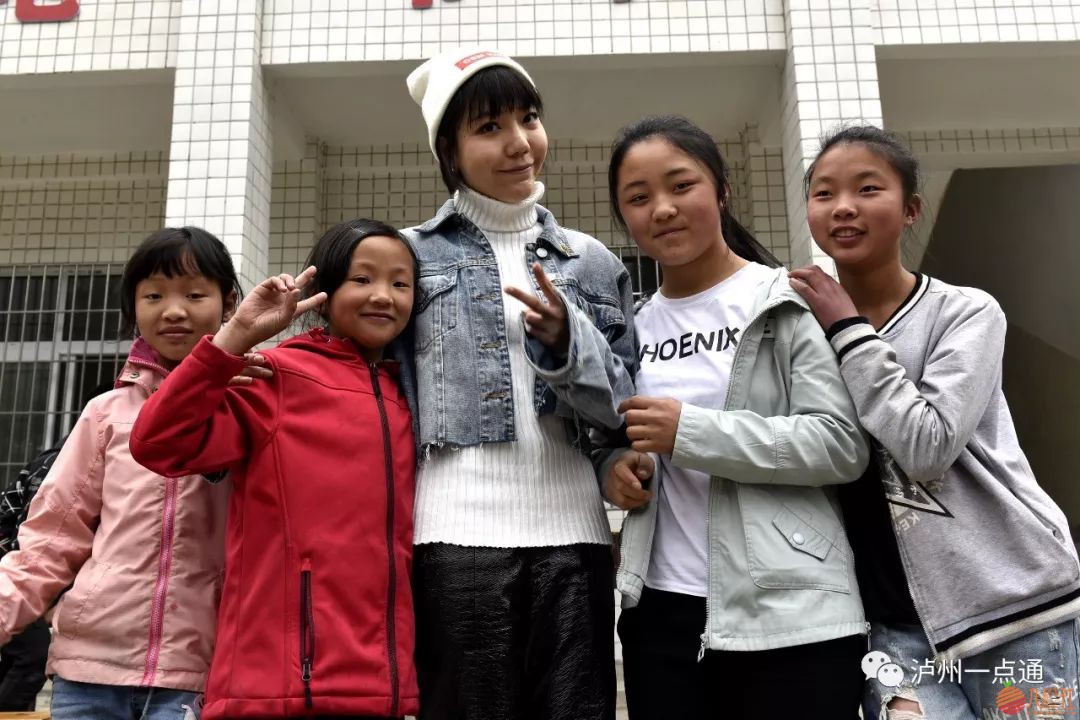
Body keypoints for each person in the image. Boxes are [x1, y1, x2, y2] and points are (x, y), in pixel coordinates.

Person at [790, 125, 1080, 720]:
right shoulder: (804, 334)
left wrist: (848, 330)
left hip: (1010, 608)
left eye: (868, 188)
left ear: (910, 209)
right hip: (891, 626)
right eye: (824, 193)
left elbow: (928, 446)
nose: (843, 206)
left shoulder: (965, 312)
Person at [602, 116, 870, 720]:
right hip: (661, 613)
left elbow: (839, 444)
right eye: (638, 198)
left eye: (681, 185)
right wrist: (617, 470)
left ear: (722, 191)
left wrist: (690, 432)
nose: (662, 209)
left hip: (789, 612)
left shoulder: (784, 300)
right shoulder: (631, 328)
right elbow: (620, 441)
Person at [402, 47, 637, 720]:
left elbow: (624, 405)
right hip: (453, 535)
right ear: (448, 151)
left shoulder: (591, 261)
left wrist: (568, 343)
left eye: (528, 118)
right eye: (489, 127)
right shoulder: (408, 255)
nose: (518, 142)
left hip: (575, 534)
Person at [131, 219, 421, 720]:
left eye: (400, 284)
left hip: (385, 691)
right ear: (323, 294)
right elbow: (158, 444)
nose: (382, 296)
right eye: (362, 279)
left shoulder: (410, 395)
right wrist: (232, 340)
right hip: (277, 689)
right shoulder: (276, 374)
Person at [0, 227, 243, 719]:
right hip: (89, 673)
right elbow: (51, 539)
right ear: (133, 308)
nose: (173, 310)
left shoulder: (249, 406)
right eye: (154, 296)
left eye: (195, 295)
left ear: (230, 304)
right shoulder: (106, 413)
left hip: (201, 673)